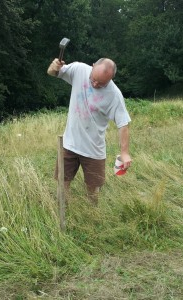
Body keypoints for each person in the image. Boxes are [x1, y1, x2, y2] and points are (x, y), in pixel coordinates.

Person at [47, 57, 132, 205]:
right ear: (92, 66)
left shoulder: (114, 95)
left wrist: (124, 152)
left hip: (94, 150)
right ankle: (63, 210)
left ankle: (92, 215)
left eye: (101, 83)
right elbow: (52, 73)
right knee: (62, 181)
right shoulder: (79, 70)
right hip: (69, 144)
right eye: (93, 79)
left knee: (93, 188)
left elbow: (123, 124)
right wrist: (54, 67)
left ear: (111, 79)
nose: (95, 84)